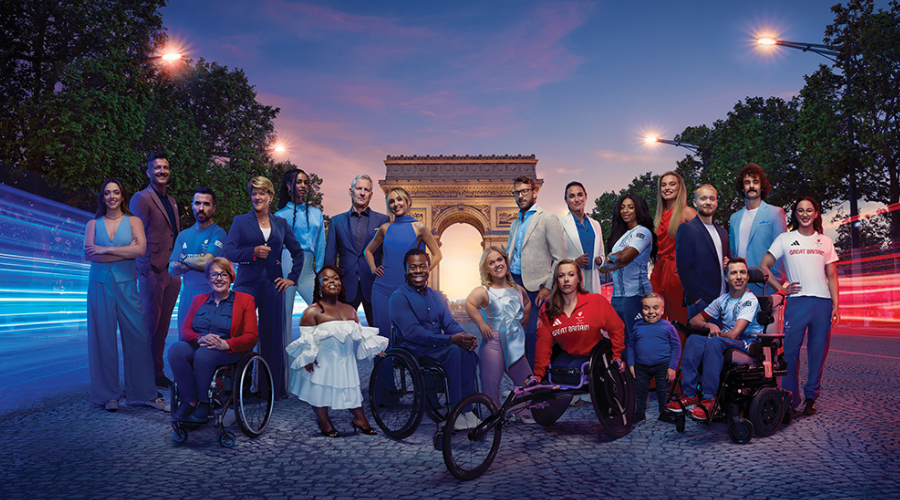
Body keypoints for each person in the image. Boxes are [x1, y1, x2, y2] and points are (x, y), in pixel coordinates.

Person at [84, 178, 167, 412]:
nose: (112, 196)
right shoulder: (93, 224)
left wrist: (106, 249)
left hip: (128, 284)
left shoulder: (134, 221)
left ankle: (144, 394)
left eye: (116, 192)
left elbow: (140, 250)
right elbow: (90, 255)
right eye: (107, 192)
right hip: (99, 284)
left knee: (138, 337)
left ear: (123, 196)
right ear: (102, 196)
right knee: (103, 340)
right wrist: (124, 252)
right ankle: (108, 395)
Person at [224, 176, 304, 400]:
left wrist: (292, 278)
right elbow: (229, 252)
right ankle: (240, 388)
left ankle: (270, 389)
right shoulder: (240, 221)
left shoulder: (281, 224)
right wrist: (252, 252)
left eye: (262, 193)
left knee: (272, 337)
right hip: (246, 284)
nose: (257, 197)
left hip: (273, 284)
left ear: (270, 196)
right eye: (253, 193)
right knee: (242, 336)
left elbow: (298, 252)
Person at [760, 196, 840, 416]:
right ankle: (789, 398)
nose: (805, 214)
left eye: (809, 210)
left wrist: (836, 305)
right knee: (790, 352)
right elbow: (764, 265)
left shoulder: (825, 241)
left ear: (816, 214)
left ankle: (811, 397)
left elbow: (832, 276)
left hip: (822, 304)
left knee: (818, 352)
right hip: (797, 303)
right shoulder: (785, 239)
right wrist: (782, 289)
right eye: (800, 210)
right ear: (795, 214)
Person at [285, 266, 387, 437]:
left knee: (351, 391)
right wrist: (308, 358)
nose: (332, 281)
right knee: (319, 390)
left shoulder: (350, 310)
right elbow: (307, 339)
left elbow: (360, 333)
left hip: (346, 361)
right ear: (318, 286)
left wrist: (375, 348)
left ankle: (360, 419)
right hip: (322, 360)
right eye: (326, 279)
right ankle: (324, 420)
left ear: (341, 284)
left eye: (336, 278)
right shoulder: (312, 311)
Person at [666, 258, 764, 420]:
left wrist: (716, 334)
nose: (738, 277)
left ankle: (710, 399)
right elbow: (695, 321)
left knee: (714, 342)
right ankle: (689, 395)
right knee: (694, 340)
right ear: (726, 278)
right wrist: (710, 326)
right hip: (724, 340)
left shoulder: (750, 300)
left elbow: (735, 334)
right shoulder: (723, 300)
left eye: (742, 272)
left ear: (747, 277)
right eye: (733, 273)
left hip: (747, 342)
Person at [390, 249, 479, 423]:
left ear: (429, 268)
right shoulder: (398, 297)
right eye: (413, 267)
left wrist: (463, 335)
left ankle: (467, 410)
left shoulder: (438, 296)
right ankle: (456, 412)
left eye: (422, 266)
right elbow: (412, 333)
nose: (418, 271)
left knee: (465, 351)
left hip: (437, 347)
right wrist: (450, 340)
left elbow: (449, 323)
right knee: (454, 350)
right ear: (405, 270)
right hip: (414, 350)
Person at [168, 258, 258, 423]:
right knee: (176, 350)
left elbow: (251, 336)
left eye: (224, 274)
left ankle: (205, 403)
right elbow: (185, 331)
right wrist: (200, 338)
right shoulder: (198, 299)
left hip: (228, 349)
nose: (219, 278)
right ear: (208, 278)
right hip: (200, 344)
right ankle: (190, 400)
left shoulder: (245, 300)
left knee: (204, 355)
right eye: (214, 274)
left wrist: (226, 344)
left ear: (231, 277)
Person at [365, 187, 441, 346]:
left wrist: (422, 272)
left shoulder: (419, 227)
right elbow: (369, 251)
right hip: (381, 288)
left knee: (410, 335)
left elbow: (437, 255)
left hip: (406, 289)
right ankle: (383, 371)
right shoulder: (385, 228)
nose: (395, 204)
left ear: (408, 202)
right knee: (382, 338)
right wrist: (373, 269)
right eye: (391, 201)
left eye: (399, 199)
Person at [530, 260, 626, 387]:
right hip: (568, 353)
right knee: (555, 376)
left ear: (579, 279)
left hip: (591, 355)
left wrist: (617, 356)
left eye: (571, 275)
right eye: (561, 275)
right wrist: (538, 375)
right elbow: (543, 344)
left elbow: (617, 328)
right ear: (556, 281)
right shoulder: (548, 309)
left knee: (572, 377)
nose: (566, 279)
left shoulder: (596, 301)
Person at [130, 151, 181, 389]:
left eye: (165, 167)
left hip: (171, 273)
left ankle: (157, 373)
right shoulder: (141, 198)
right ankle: (139, 377)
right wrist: (145, 270)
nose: (162, 171)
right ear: (148, 172)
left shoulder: (170, 200)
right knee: (148, 327)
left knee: (162, 328)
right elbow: (135, 235)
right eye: (157, 168)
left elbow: (173, 234)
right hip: (152, 271)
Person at [506, 175, 566, 369]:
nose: (520, 196)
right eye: (517, 192)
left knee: (533, 334)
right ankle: (523, 382)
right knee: (516, 335)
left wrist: (548, 287)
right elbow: (510, 253)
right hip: (514, 284)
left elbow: (560, 258)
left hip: (536, 287)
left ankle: (537, 382)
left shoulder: (548, 218)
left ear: (534, 192)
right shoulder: (515, 223)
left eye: (524, 191)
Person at [464, 247, 533, 414]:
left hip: (515, 346)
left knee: (529, 385)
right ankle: (494, 419)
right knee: (491, 386)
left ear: (506, 262)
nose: (497, 264)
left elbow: (528, 303)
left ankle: (518, 409)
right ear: (486, 269)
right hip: (493, 344)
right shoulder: (484, 291)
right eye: (491, 263)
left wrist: (523, 323)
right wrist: (481, 323)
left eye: (499, 260)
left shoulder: (518, 289)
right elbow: (469, 304)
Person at [276, 168, 326, 389]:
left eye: (306, 182)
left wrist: (322, 273)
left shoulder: (316, 214)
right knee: (283, 322)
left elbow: (321, 246)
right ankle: (284, 381)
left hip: (308, 270)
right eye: (298, 182)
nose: (303, 186)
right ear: (289, 186)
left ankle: (322, 372)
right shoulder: (278, 215)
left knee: (324, 316)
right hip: (286, 265)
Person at [324, 174, 390, 327]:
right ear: (351, 191)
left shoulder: (383, 221)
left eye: (366, 190)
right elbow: (330, 259)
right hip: (346, 287)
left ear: (371, 194)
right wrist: (330, 288)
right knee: (341, 335)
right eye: (359, 188)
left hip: (375, 286)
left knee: (380, 336)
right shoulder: (336, 221)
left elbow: (387, 255)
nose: (362, 193)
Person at [602, 193, 658, 365]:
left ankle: (645, 386)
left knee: (637, 342)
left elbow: (625, 258)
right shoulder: (622, 235)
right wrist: (615, 257)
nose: (625, 211)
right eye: (623, 207)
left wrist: (613, 256)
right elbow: (605, 267)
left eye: (630, 207)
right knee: (620, 343)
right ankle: (627, 385)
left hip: (636, 295)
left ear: (638, 210)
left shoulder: (643, 232)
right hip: (618, 296)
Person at [168, 187, 226, 329]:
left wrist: (185, 259)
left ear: (213, 208)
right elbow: (172, 269)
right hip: (187, 295)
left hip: (210, 295)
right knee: (184, 342)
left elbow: (207, 263)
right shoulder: (183, 235)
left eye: (206, 204)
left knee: (208, 344)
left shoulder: (218, 233)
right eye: (197, 203)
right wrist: (199, 261)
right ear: (192, 205)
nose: (201, 208)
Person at [728, 163, 787, 296]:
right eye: (747, 182)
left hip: (765, 286)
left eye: (755, 182)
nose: (751, 186)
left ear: (762, 187)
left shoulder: (775, 213)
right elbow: (733, 251)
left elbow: (781, 252)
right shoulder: (734, 218)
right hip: (740, 285)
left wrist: (775, 285)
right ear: (742, 188)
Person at [675, 184, 731, 323]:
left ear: (716, 202)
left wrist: (728, 264)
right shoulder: (686, 229)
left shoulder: (723, 232)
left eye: (712, 199)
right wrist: (697, 299)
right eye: (703, 198)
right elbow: (683, 267)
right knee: (701, 342)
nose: (708, 202)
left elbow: (727, 260)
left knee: (719, 343)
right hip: (702, 301)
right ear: (695, 202)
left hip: (724, 299)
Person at [628, 293, 681, 423]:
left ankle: (664, 412)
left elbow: (676, 347)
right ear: (642, 310)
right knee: (639, 390)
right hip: (641, 365)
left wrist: (672, 367)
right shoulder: (637, 326)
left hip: (663, 365)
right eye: (646, 308)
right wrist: (631, 364)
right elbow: (630, 346)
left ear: (662, 310)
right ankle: (639, 413)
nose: (651, 312)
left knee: (663, 391)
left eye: (655, 308)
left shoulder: (668, 327)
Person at [651, 171, 696, 324]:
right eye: (663, 185)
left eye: (672, 184)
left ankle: (680, 348)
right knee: (657, 319)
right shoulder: (659, 216)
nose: (667, 188)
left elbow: (705, 241)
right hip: (659, 272)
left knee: (679, 319)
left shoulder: (687, 212)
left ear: (680, 188)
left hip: (677, 274)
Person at [560, 181, 605, 293]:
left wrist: (600, 261)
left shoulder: (596, 224)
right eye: (571, 196)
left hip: (593, 279)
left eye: (580, 195)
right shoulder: (559, 224)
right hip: (572, 280)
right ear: (566, 200)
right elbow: (552, 257)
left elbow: (601, 254)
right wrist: (574, 263)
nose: (576, 199)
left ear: (585, 196)